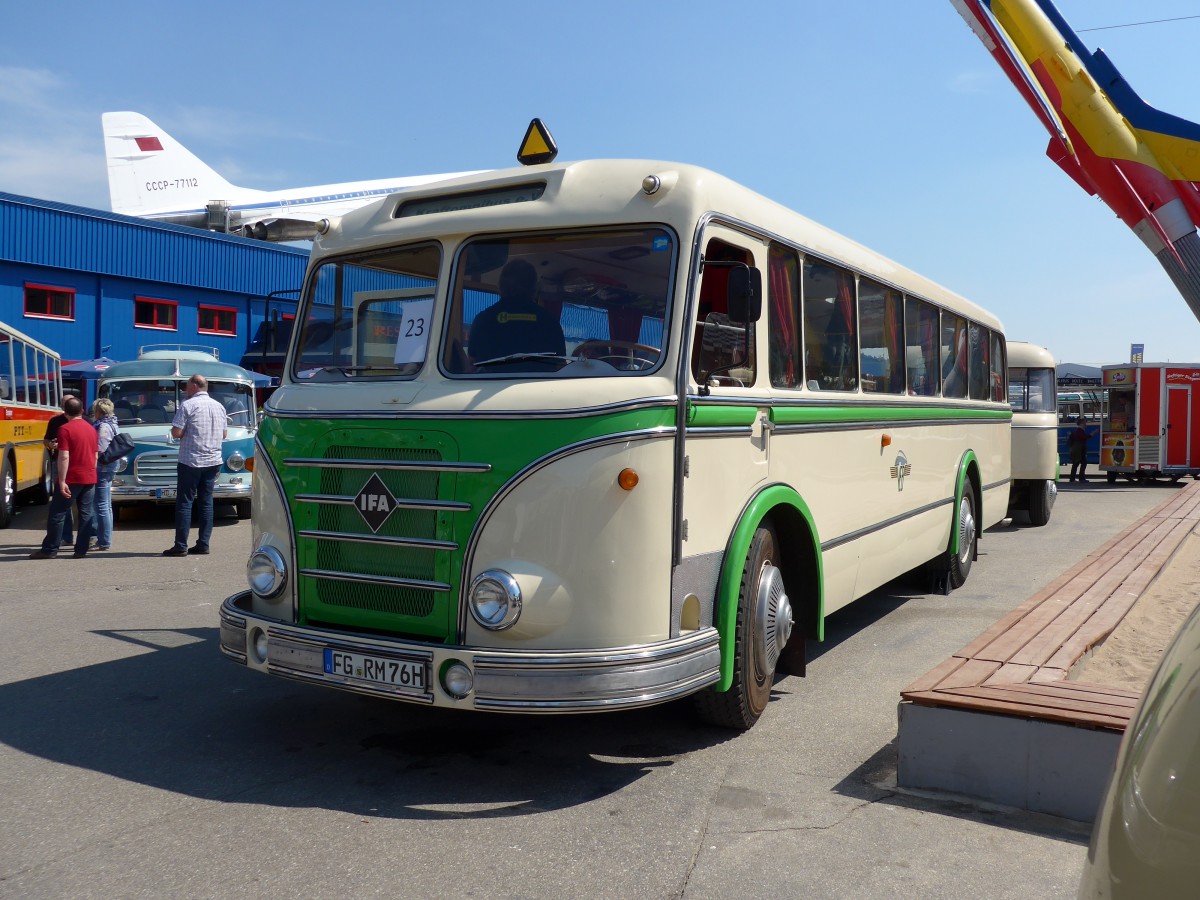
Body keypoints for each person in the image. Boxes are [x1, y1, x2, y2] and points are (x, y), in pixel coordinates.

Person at [163, 374, 228, 557]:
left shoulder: (188, 405)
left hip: (191, 460)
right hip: (213, 460)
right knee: (206, 502)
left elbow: (176, 432)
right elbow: (224, 434)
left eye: (186, 386)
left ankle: (181, 545)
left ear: (194, 385)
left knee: (185, 503)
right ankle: (203, 543)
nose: (185, 389)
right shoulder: (219, 406)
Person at [29, 395, 97, 559]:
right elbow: (95, 454)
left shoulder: (65, 429)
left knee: (57, 513)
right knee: (86, 514)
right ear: (82, 410)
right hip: (89, 476)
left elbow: (64, 456)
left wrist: (62, 480)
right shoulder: (91, 428)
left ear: (65, 412)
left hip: (72, 476)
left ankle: (50, 549)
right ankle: (81, 550)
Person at [467, 259, 565, 368]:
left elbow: (472, 364)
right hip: (537, 384)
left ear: (500, 285)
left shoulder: (483, 320)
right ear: (534, 288)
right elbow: (560, 366)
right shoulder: (549, 322)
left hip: (490, 385)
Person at [42, 395, 78, 547]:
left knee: (84, 505)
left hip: (76, 463)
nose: (65, 407)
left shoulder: (83, 422)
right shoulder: (55, 421)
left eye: (68, 404)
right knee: (64, 502)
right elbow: (46, 441)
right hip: (59, 462)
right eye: (64, 404)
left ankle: (90, 537)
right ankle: (66, 536)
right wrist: (52, 444)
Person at [91, 397, 119, 551]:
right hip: (109, 466)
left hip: (103, 467)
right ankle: (105, 539)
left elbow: (100, 449)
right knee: (106, 505)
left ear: (99, 411)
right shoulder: (113, 423)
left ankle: (104, 541)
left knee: (101, 505)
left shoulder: (103, 426)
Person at [1069, 415, 1089, 483]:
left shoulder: (1079, 430)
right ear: (1081, 424)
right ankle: (1079, 478)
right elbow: (1084, 437)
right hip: (1079, 450)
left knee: (1077, 463)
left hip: (1078, 450)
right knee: (1080, 463)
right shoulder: (1080, 430)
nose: (1086, 424)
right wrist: (1092, 434)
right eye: (1084, 422)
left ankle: (1075, 478)